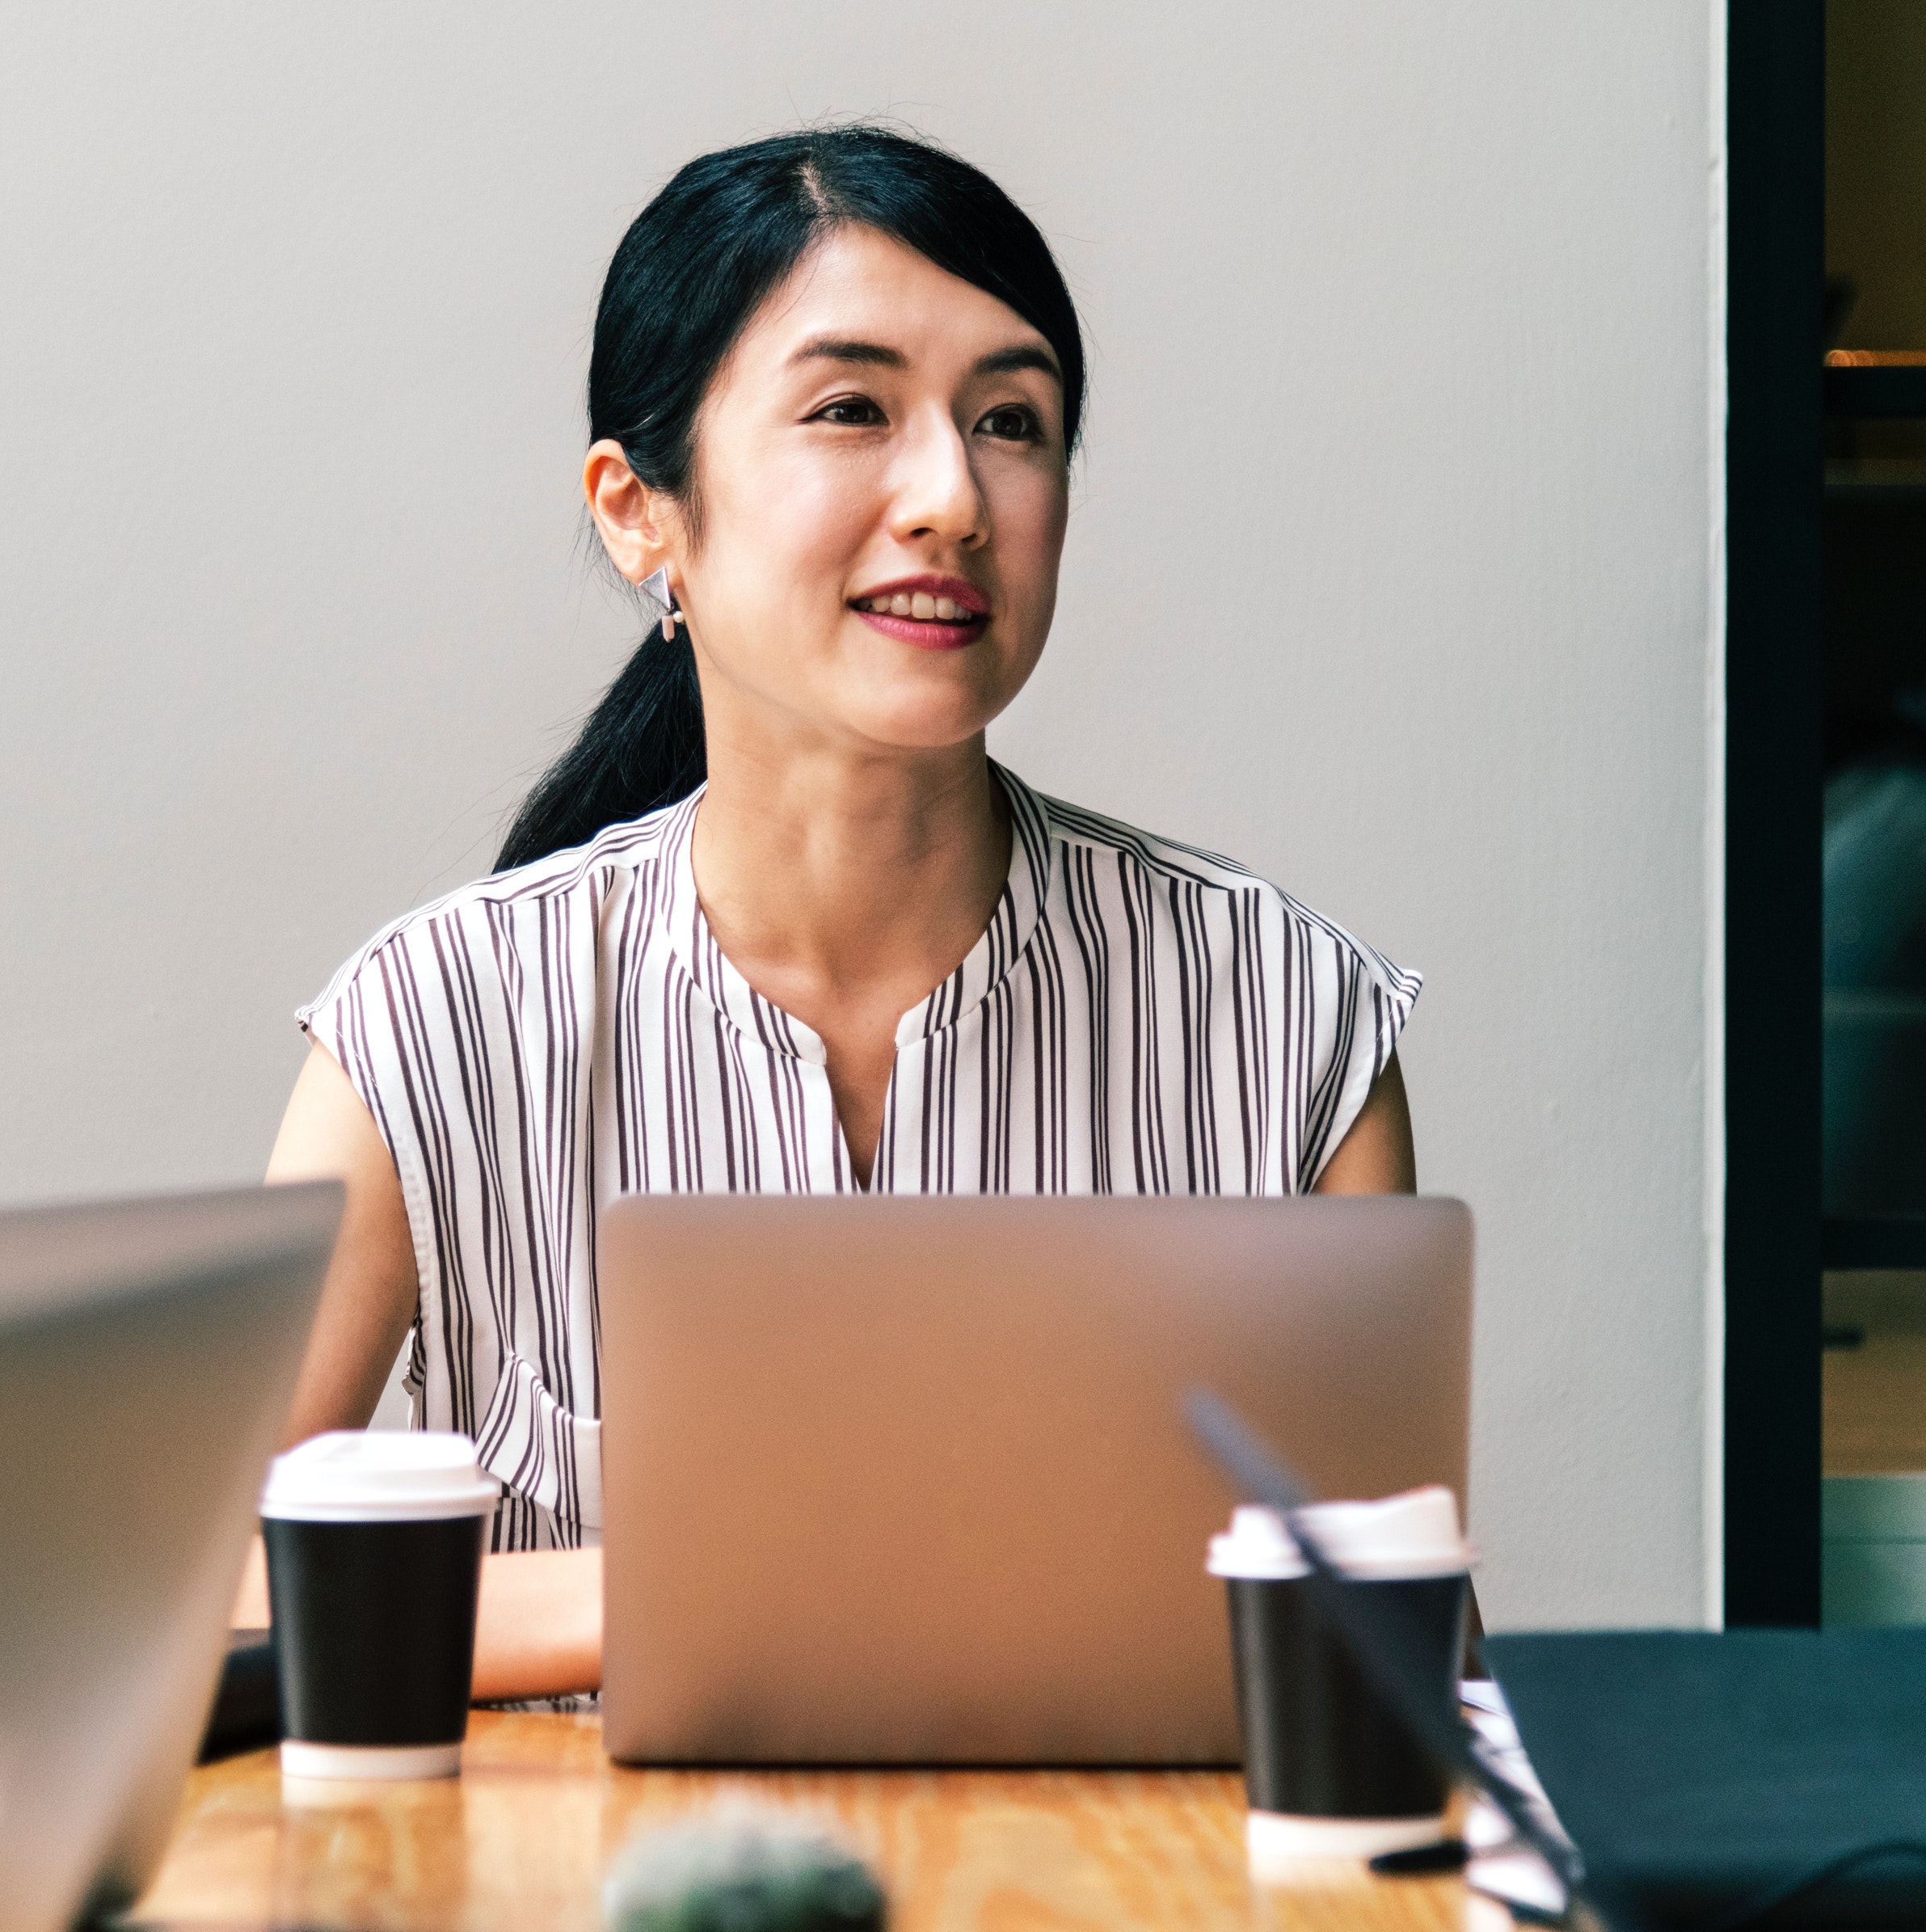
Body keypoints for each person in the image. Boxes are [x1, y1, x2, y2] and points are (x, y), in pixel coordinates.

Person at [263, 126, 1420, 1704]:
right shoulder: (428, 1028)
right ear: (636, 512)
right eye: (850, 410)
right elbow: (204, 1596)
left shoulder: (1287, 1016)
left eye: (1009, 421)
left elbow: (1388, 1649)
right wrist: (712, 1579)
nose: (949, 495)